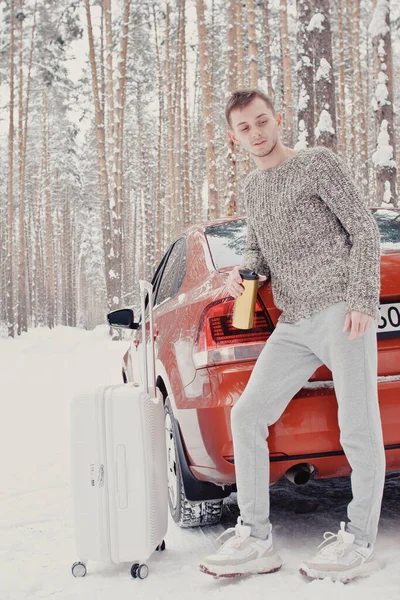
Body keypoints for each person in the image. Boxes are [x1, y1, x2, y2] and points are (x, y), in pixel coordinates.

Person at [199, 88, 385, 583]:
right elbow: (258, 252)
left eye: (262, 121)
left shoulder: (316, 163)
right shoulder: (253, 189)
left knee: (358, 426)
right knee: (248, 414)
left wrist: (364, 299)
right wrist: (248, 275)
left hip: (341, 310)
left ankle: (360, 540)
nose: (256, 133)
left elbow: (364, 229)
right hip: (293, 320)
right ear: (234, 137)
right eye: (245, 128)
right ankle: (257, 538)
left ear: (278, 119)